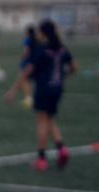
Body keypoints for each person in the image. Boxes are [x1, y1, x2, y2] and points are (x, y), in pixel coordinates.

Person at [5, 19, 74, 171]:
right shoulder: (62, 48)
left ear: (43, 33)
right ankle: (62, 149)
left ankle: (41, 159)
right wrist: (63, 77)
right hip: (57, 89)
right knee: (50, 118)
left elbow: (27, 70)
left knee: (41, 121)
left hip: (43, 88)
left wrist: (13, 90)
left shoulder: (41, 49)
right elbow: (74, 67)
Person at [15, 24, 36, 108]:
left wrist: (22, 57)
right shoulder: (36, 39)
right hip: (34, 62)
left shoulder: (27, 39)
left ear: (27, 32)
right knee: (25, 80)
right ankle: (28, 97)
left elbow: (26, 51)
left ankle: (28, 99)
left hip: (26, 62)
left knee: (23, 80)